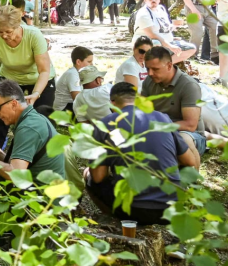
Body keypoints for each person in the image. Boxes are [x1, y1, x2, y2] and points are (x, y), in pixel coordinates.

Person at [85, 83, 201, 225]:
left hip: (133, 209)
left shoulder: (105, 124)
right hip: (171, 209)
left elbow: (97, 177)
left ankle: (116, 220)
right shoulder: (162, 118)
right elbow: (190, 162)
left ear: (112, 103)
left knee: (88, 175)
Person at [0, 80, 64, 197]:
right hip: (42, 190)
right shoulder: (31, 118)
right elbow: (16, 164)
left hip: (43, 203)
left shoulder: (28, 128)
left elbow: (15, 175)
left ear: (13, 104)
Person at [0, 5, 56, 142]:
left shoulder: (33, 35)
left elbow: (44, 70)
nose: (4, 35)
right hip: (10, 78)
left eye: (8, 31)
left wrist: (36, 94)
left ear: (18, 25)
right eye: (0, 32)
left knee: (42, 118)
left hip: (39, 77)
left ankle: (39, 157)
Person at [141, 46, 207, 155]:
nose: (150, 73)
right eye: (147, 69)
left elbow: (190, 125)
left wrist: (159, 127)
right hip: (158, 131)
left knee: (181, 140)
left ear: (169, 66)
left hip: (189, 135)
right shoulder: (149, 81)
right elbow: (142, 112)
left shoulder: (188, 85)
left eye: (155, 69)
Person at [134, 0, 196, 65]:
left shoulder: (161, 9)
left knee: (191, 48)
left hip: (165, 42)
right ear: (145, 0)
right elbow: (152, 35)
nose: (153, 0)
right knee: (157, 43)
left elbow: (164, 27)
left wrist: (172, 29)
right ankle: (154, 65)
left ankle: (164, 65)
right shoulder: (143, 14)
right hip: (148, 43)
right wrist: (170, 46)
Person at [52, 46, 93, 113]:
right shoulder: (72, 74)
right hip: (63, 112)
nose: (92, 64)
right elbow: (78, 100)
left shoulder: (77, 73)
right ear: (78, 62)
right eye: (89, 62)